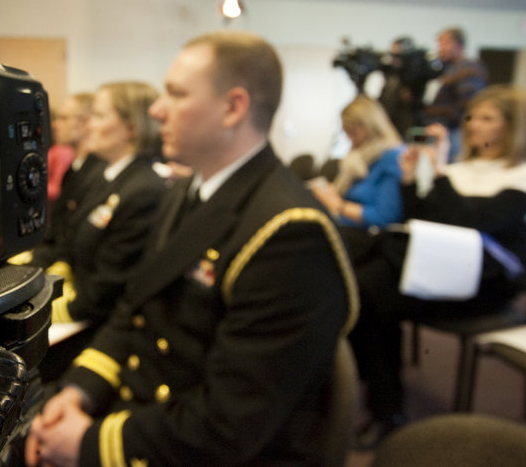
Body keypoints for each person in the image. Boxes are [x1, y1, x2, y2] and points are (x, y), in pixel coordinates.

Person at [25, 31, 358, 467]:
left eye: (176, 94)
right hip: (156, 417)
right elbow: (134, 309)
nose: (157, 110)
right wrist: (80, 390)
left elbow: (228, 424)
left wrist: (89, 444)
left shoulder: (289, 234)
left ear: (233, 107)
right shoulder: (188, 192)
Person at [349, 85, 526, 449]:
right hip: (436, 266)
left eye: (487, 118)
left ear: (512, 128)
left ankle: (384, 405)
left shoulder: (518, 178)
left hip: (482, 284)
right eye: (472, 117)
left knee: (369, 286)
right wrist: (413, 181)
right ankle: (382, 403)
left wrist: (440, 173)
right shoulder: (462, 169)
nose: (474, 125)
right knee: (365, 287)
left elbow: (469, 223)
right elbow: (424, 219)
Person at [47, 81, 166, 327]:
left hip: (101, 322)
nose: (88, 124)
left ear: (131, 127)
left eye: (99, 116)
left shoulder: (143, 190)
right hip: (82, 302)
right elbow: (73, 240)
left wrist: (50, 311)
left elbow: (108, 288)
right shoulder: (110, 176)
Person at [30, 92, 106, 269]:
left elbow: (72, 240)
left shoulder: (97, 174)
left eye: (64, 119)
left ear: (85, 123)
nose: (55, 125)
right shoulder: (75, 169)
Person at [311, 95, 404, 231]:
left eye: (352, 132)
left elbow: (385, 217)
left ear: (369, 126)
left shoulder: (393, 156)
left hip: (363, 238)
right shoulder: (359, 154)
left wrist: (339, 205)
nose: (350, 138)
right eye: (346, 132)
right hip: (342, 226)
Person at [421, 27, 488, 162]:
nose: (440, 49)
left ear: (458, 44)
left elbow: (470, 102)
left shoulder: (469, 68)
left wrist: (447, 122)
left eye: (444, 43)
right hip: (442, 130)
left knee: (450, 169)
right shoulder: (451, 68)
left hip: (453, 131)